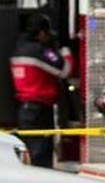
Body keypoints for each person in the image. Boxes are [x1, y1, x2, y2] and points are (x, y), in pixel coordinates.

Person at [9, 12, 72, 169]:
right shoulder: (39, 51)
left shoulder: (18, 48)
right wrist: (65, 50)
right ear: (42, 32)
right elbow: (65, 70)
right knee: (41, 156)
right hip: (40, 110)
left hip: (25, 109)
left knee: (30, 153)